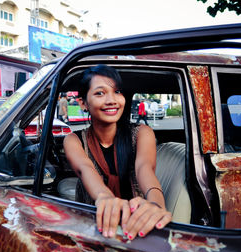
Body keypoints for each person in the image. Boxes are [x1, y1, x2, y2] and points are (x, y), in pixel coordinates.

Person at [64, 65, 171, 241]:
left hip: (137, 227)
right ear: (83, 103)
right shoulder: (74, 140)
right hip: (93, 230)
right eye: (100, 93)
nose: (112, 100)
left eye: (117, 92)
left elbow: (144, 168)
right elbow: (85, 168)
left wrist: (156, 204)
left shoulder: (142, 133)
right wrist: (105, 198)